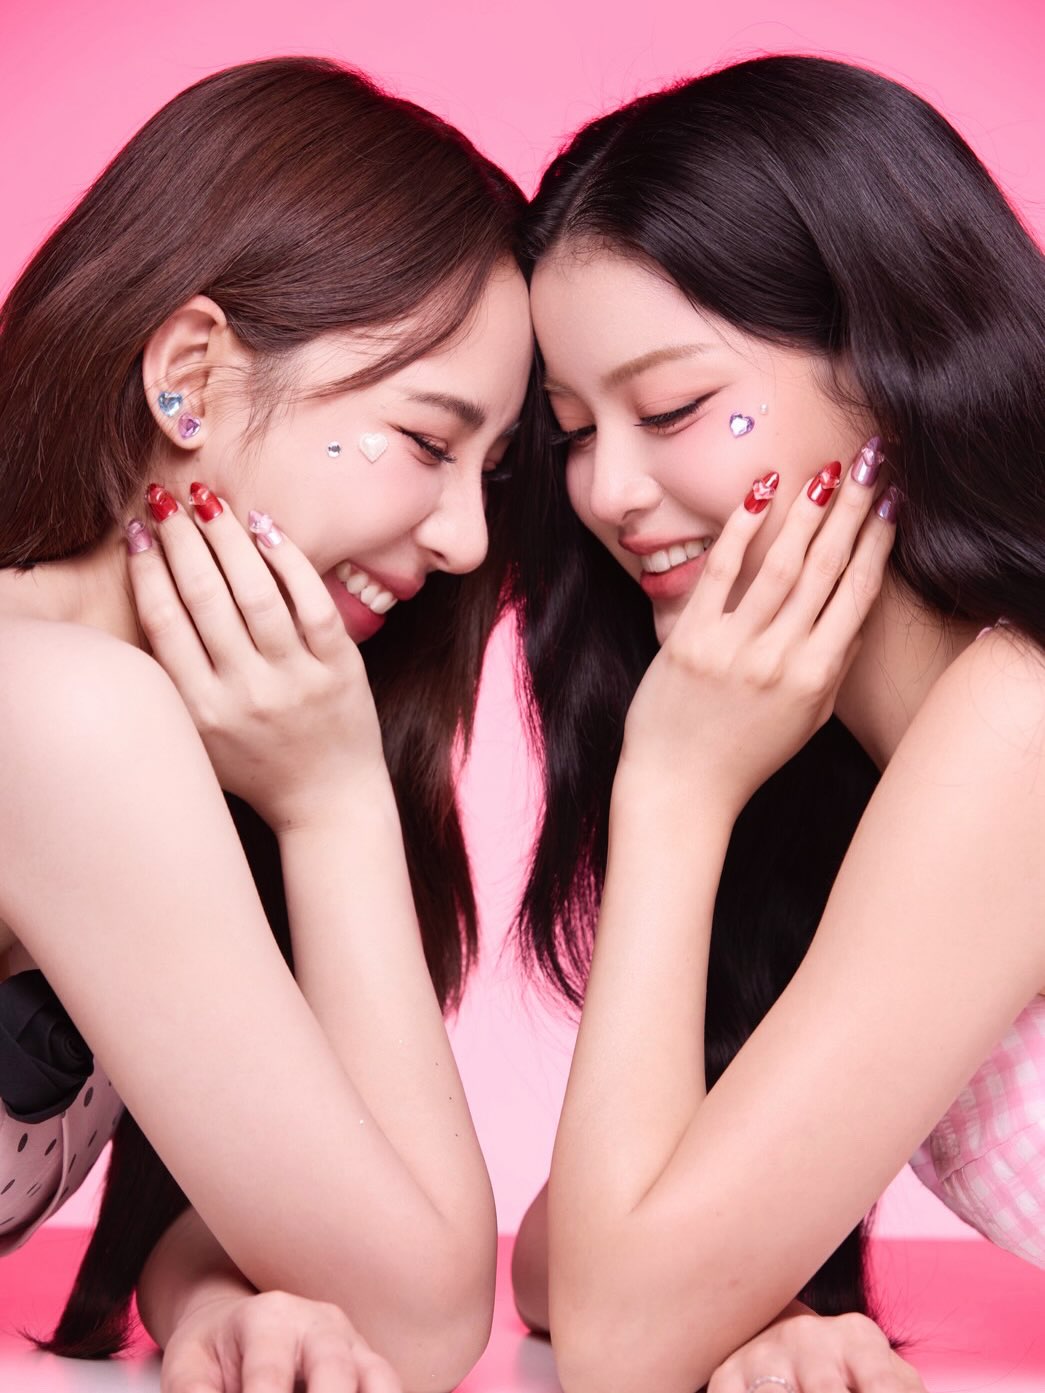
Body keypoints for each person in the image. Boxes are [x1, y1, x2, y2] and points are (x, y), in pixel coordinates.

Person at [507, 53, 1045, 1393]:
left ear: (891, 363)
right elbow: (566, 1264)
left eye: (672, 408)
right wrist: (754, 1300)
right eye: (573, 430)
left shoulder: (1020, 717)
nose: (610, 492)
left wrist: (671, 793)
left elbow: (618, 1341)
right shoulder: (851, 774)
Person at [0, 55, 533, 1392]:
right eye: (429, 440)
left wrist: (219, 1299)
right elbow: (423, 1316)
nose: (469, 541)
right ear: (190, 376)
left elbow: (261, 1194)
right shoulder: (60, 706)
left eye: (493, 470)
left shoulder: (153, 729)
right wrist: (333, 801)